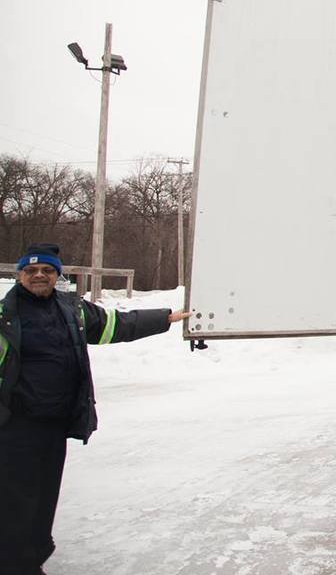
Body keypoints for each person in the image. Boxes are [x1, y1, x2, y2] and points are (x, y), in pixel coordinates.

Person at [0, 243, 190, 575]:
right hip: (16, 425)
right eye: (31, 271)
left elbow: (115, 324)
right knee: (16, 500)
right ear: (20, 276)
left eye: (47, 270)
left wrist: (165, 318)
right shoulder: (5, 315)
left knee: (45, 496)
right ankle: (15, 564)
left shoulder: (71, 309)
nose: (39, 276)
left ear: (57, 275)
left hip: (55, 424)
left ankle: (32, 557)